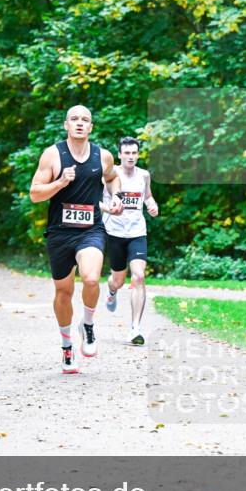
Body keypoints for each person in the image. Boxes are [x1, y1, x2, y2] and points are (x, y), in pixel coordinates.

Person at [30, 105, 123, 374]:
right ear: (66, 125)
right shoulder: (53, 155)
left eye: (85, 120)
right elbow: (35, 194)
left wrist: (115, 196)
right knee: (64, 292)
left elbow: (113, 177)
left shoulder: (102, 156)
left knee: (91, 278)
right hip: (60, 232)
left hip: (90, 230)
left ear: (91, 127)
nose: (80, 123)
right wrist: (59, 183)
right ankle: (67, 346)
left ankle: (89, 324)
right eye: (74, 119)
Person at [101, 137, 158, 345]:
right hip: (115, 233)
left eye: (134, 153)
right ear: (120, 155)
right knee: (117, 280)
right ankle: (112, 290)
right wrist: (109, 209)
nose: (131, 157)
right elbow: (95, 201)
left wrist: (153, 206)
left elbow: (148, 197)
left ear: (138, 154)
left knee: (139, 276)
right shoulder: (109, 175)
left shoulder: (144, 175)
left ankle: (135, 329)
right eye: (127, 153)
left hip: (137, 233)